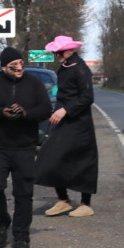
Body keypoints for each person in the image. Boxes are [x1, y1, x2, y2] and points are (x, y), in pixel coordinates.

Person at [0, 47, 53, 248]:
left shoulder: (34, 83)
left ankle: (21, 236)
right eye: (14, 66)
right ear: (3, 67)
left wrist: (25, 114)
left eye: (21, 64)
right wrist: (2, 113)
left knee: (24, 193)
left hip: (25, 147)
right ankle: (2, 222)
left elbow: (45, 109)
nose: (19, 68)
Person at [36, 35, 98, 218]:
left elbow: (88, 98)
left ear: (70, 50)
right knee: (52, 156)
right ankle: (63, 200)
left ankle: (86, 204)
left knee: (82, 161)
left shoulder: (80, 68)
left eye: (59, 52)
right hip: (63, 122)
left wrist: (65, 111)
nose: (57, 55)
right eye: (55, 53)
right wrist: (56, 111)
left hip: (80, 124)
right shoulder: (64, 67)